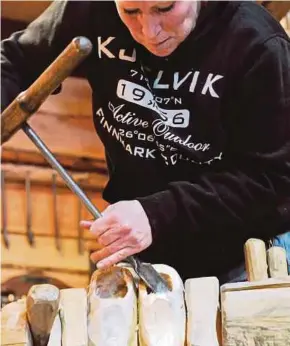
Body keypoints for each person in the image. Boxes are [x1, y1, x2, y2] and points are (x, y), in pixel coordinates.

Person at [1, 1, 290, 284]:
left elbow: (271, 180)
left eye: (165, 9)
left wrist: (157, 213)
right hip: (142, 247)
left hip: (242, 255)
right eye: (130, 12)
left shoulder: (258, 43)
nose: (149, 32)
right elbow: (13, 61)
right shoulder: (89, 7)